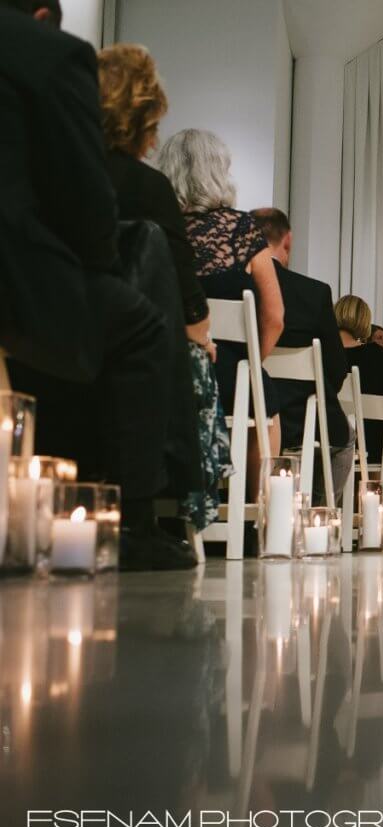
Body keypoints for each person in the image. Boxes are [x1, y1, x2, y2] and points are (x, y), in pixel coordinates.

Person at [1, 0, 188, 571]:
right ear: (41, 15)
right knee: (140, 329)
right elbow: (82, 201)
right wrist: (96, 260)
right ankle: (126, 521)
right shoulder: (49, 53)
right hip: (13, 273)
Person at [97, 43, 224, 533]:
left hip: (54, 344)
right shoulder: (149, 190)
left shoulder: (54, 175)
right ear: (142, 119)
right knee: (197, 362)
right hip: (134, 356)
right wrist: (202, 338)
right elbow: (192, 308)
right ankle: (180, 512)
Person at [156, 128, 285, 496]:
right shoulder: (241, 229)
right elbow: (275, 316)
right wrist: (250, 364)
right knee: (265, 403)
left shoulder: (158, 231)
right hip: (230, 377)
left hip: (165, 370)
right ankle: (253, 514)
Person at [251, 208, 354, 506]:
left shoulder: (237, 287)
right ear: (288, 241)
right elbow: (336, 369)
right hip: (300, 417)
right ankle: (318, 516)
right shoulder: (314, 292)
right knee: (344, 438)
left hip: (245, 414)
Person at [335, 294, 383, 462]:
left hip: (329, 435)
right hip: (370, 444)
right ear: (364, 320)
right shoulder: (375, 354)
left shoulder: (322, 352)